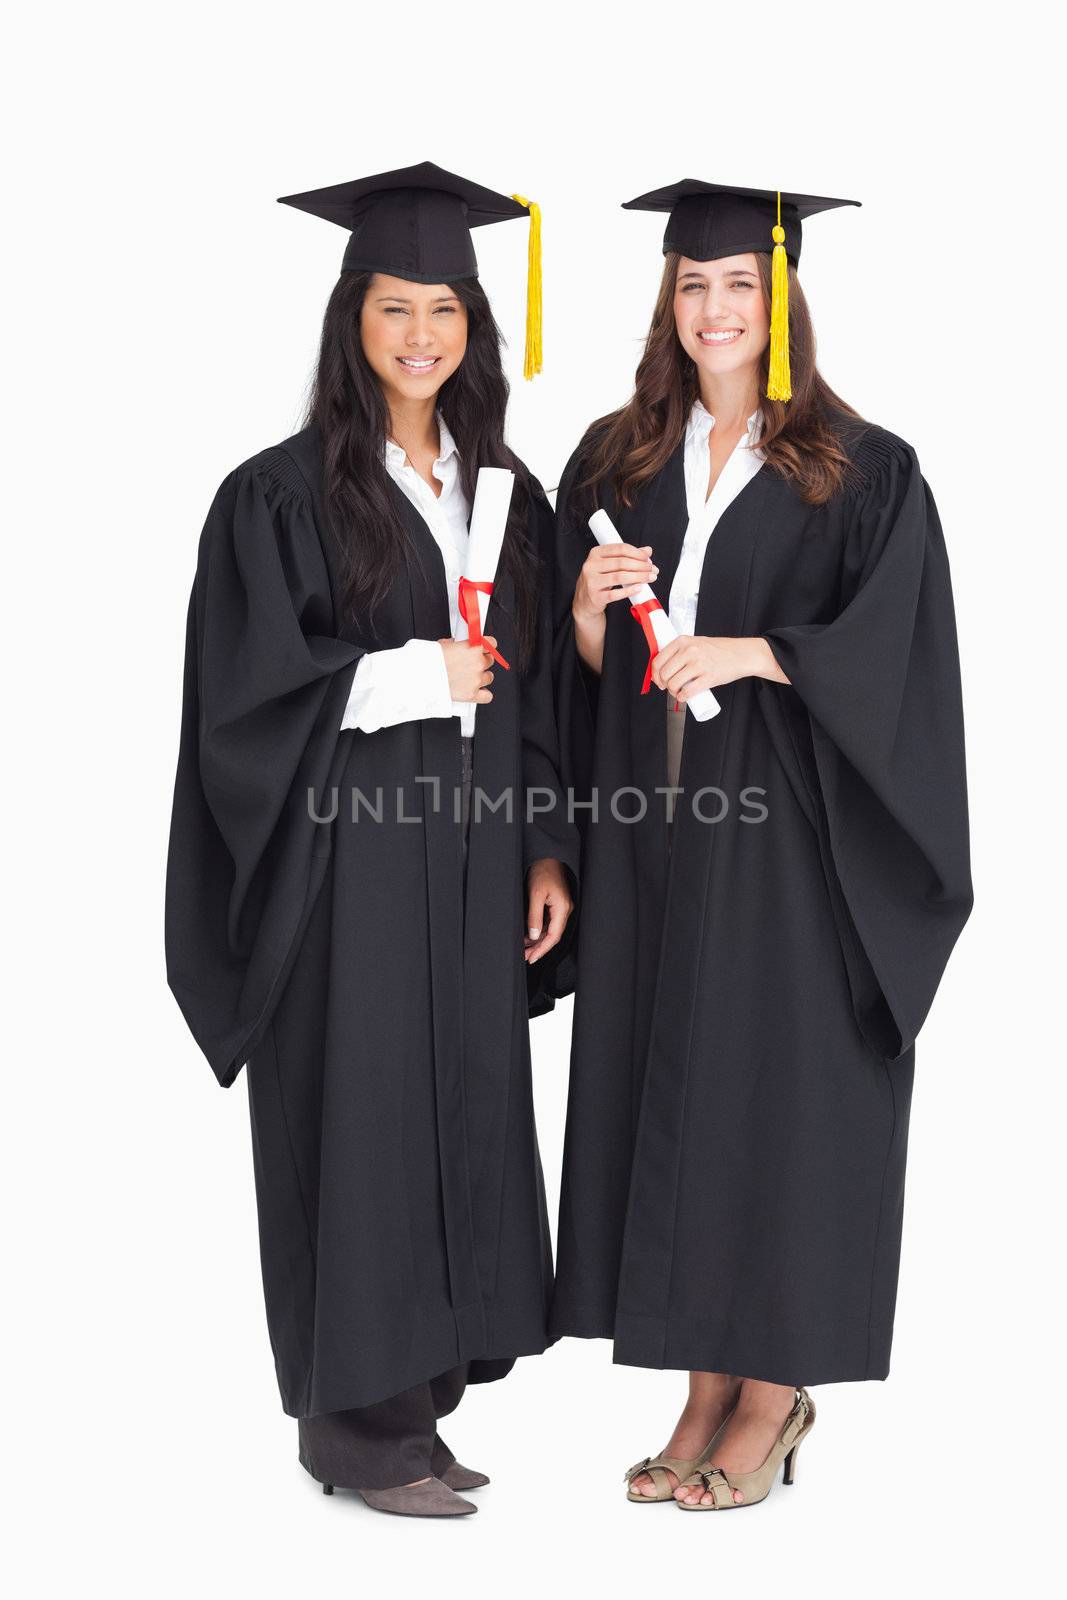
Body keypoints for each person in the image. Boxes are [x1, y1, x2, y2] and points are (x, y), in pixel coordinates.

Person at [548, 179, 972, 1511]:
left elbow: (899, 657)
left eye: (740, 284)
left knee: (773, 1097)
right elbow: (574, 679)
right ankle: (701, 1377)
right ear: (666, 303)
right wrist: (582, 607)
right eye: (693, 285)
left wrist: (765, 652)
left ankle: (773, 1388)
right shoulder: (615, 460)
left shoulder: (861, 466)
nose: (716, 309)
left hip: (792, 841)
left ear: (780, 298)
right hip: (656, 836)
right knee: (684, 1091)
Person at [165, 162, 577, 1518]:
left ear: (474, 325)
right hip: (345, 869)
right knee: (359, 1121)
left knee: (456, 1105)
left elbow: (537, 691)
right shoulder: (278, 494)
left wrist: (542, 849)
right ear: (353, 321)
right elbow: (246, 697)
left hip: (468, 868)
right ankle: (353, 1433)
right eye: (394, 306)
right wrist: (403, 675)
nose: (420, 333)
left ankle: (419, 1407)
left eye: (443, 307)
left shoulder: (504, 489)